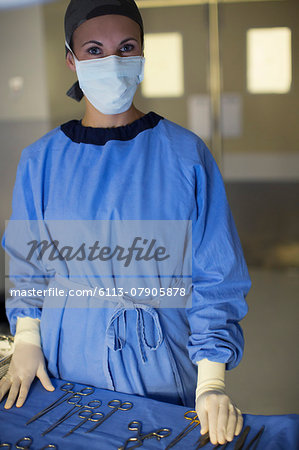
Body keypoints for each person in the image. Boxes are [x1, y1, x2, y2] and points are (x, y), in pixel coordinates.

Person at [0, 0, 251, 446]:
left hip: (163, 363)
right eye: (94, 50)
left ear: (141, 55)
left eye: (126, 47)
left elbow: (216, 276)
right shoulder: (40, 161)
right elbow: (28, 266)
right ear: (71, 59)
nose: (112, 62)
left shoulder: (185, 154)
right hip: (64, 362)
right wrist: (25, 339)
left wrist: (211, 380)